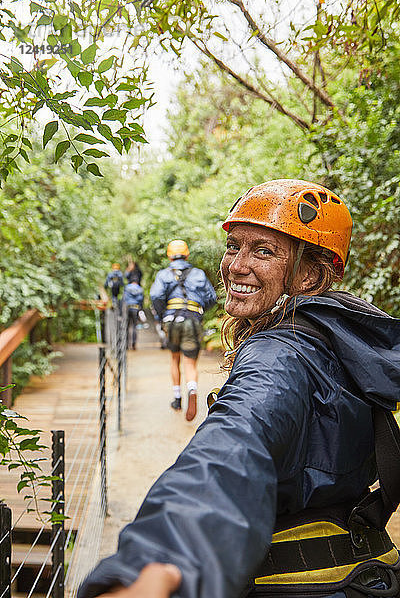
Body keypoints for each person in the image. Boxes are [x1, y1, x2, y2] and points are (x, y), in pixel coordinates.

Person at [78, 179, 400, 598]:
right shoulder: (341, 335)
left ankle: (179, 392)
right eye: (234, 246)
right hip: (363, 575)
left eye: (263, 251)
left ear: (308, 272)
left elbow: (234, 445)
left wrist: (161, 562)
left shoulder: (278, 355)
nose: (236, 265)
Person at [150, 240, 216, 421]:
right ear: (187, 255)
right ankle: (192, 390)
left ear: (169, 256)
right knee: (190, 363)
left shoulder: (164, 274)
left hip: (171, 320)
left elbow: (156, 296)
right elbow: (211, 297)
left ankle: (177, 398)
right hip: (192, 320)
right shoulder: (198, 274)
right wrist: (200, 311)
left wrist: (163, 314)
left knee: (174, 358)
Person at [123, 280, 145, 350]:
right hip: (136, 308)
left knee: (126, 327)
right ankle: (133, 344)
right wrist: (141, 308)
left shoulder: (127, 288)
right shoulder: (140, 289)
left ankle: (126, 344)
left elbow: (124, 298)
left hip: (128, 308)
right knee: (134, 327)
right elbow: (141, 299)